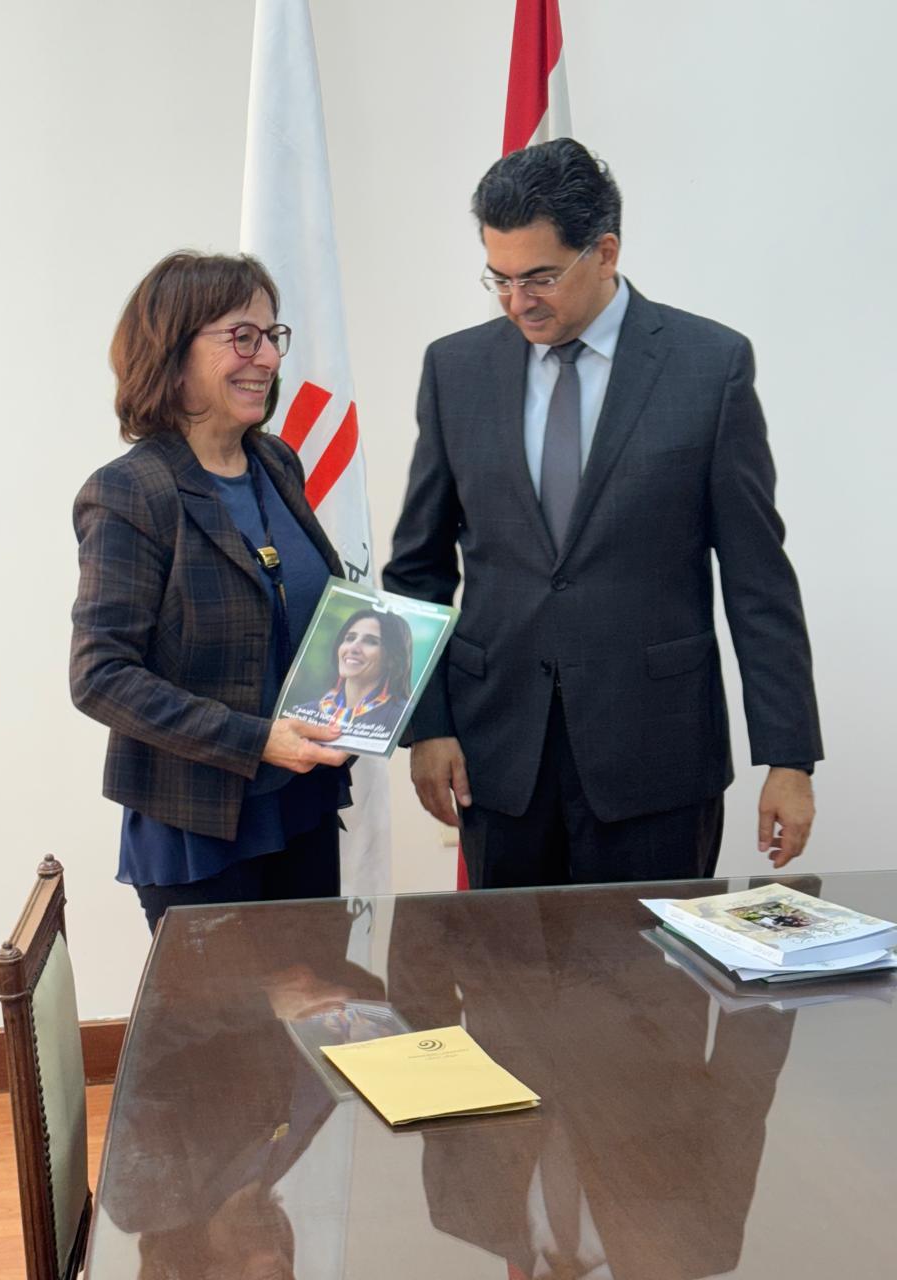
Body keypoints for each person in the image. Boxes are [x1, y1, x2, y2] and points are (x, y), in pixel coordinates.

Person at [383, 138, 822, 890]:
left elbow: (758, 579)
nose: (517, 302)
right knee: (505, 966)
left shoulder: (708, 366)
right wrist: (426, 726)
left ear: (605, 252)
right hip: (497, 756)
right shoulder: (454, 369)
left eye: (540, 277)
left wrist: (789, 757)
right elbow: (417, 569)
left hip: (657, 758)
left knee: (651, 970)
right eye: (499, 278)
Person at [71, 250, 350, 930]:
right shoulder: (130, 492)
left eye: (272, 336)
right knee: (229, 1007)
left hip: (303, 805)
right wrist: (256, 740)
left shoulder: (275, 462)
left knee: (319, 997)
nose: (268, 358)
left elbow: (294, 612)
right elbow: (100, 677)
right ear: (173, 354)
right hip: (200, 832)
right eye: (242, 338)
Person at [293, 609, 412, 740]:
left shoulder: (404, 718)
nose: (353, 648)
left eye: (371, 641)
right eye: (350, 638)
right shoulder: (303, 712)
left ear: (392, 659)